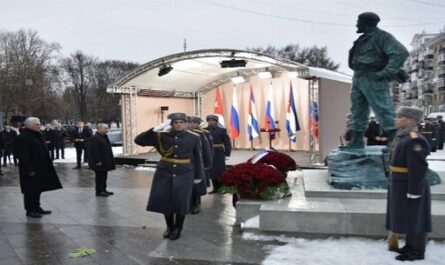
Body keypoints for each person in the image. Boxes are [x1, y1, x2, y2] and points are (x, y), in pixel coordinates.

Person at [343, 12, 409, 149]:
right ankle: (356, 140)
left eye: (358, 21)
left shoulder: (382, 37)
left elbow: (400, 53)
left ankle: (394, 142)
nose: (356, 24)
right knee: (357, 110)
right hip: (358, 76)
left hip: (373, 77)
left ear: (367, 23)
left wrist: (385, 73)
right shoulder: (362, 39)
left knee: (383, 109)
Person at [134, 113, 204, 240]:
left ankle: (178, 228)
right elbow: (139, 141)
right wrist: (156, 128)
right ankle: (169, 226)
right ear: (171, 124)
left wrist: (198, 175)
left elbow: (198, 157)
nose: (178, 124)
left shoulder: (194, 137)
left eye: (181, 122)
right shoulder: (161, 135)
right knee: (165, 201)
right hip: (164, 172)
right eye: (175, 122)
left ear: (185, 123)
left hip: (185, 173)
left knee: (180, 202)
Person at [386, 107, 431, 261]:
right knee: (407, 216)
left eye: (400, 117)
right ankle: (409, 246)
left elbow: (418, 167)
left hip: (410, 184)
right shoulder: (403, 136)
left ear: (412, 120)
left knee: (416, 217)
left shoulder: (414, 139)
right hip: (400, 183)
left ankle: (417, 251)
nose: (396, 119)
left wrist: (414, 189)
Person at [14, 117, 63, 218]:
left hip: (40, 167)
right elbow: (23, 156)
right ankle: (30, 210)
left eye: (39, 124)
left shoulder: (37, 135)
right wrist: (29, 169)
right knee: (30, 190)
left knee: (38, 188)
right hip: (30, 169)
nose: (39, 126)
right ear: (29, 125)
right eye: (37, 124)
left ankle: (37, 207)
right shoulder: (22, 137)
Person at [187, 116, 213, 214]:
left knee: (196, 186)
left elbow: (207, 150)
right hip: (184, 165)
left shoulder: (200, 134)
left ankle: (195, 204)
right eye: (189, 122)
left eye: (193, 123)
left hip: (196, 163)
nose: (191, 124)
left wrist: (207, 164)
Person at [204, 114, 231, 194]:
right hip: (208, 152)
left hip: (218, 152)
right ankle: (215, 188)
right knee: (212, 171)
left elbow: (227, 142)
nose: (211, 122)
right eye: (209, 120)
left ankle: (222, 187)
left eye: (213, 120)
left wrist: (227, 153)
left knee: (220, 171)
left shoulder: (221, 130)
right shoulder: (204, 130)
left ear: (216, 122)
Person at [88, 123, 116, 197]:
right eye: (105, 128)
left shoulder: (104, 136)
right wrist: (97, 161)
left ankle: (104, 189)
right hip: (99, 162)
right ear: (99, 129)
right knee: (99, 177)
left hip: (105, 161)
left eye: (107, 128)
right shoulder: (96, 138)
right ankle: (99, 191)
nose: (107, 129)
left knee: (104, 176)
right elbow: (94, 151)